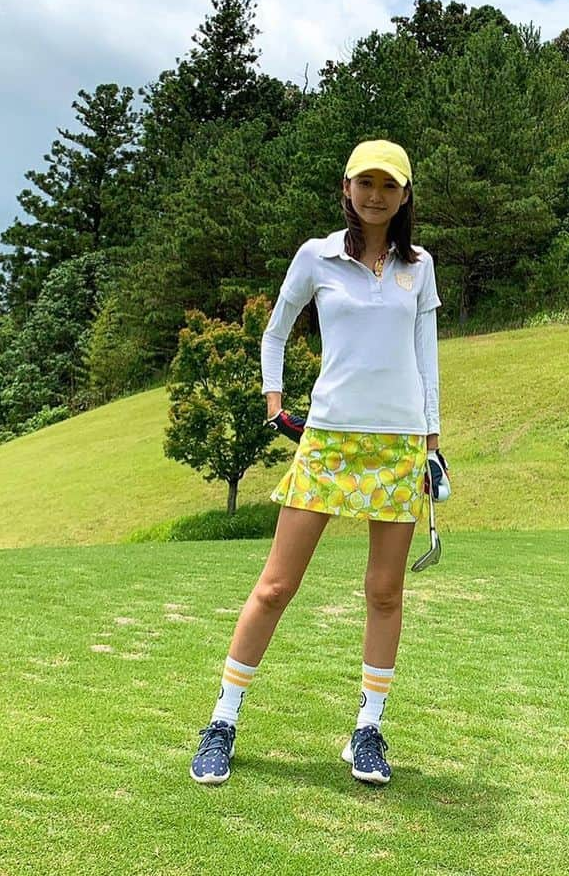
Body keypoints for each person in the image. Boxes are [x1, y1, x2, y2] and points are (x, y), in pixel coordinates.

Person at [190, 138, 450, 788]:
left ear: (405, 195)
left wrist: (432, 442)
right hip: (329, 439)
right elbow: (275, 329)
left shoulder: (419, 267)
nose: (376, 195)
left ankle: (368, 728)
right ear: (347, 187)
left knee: (385, 592)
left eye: (389, 185)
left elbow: (427, 353)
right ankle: (222, 721)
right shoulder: (317, 256)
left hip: (396, 443)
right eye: (366, 183)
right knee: (276, 586)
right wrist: (273, 400)